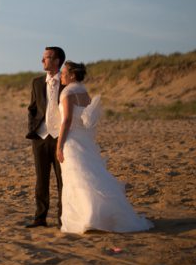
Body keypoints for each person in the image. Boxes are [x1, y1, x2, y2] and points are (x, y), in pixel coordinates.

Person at [56, 61, 153, 234]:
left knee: (77, 178)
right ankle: (100, 215)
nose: (61, 75)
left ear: (71, 75)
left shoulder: (67, 93)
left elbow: (67, 120)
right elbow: (87, 121)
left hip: (71, 140)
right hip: (84, 140)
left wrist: (59, 145)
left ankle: (88, 217)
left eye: (63, 72)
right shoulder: (84, 92)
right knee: (90, 175)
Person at [25, 46, 66, 228]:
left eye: (47, 57)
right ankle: (40, 218)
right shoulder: (36, 82)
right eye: (43, 57)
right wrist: (33, 129)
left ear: (57, 61)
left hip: (61, 139)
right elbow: (32, 108)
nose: (43, 60)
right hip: (40, 138)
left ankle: (63, 219)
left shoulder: (67, 82)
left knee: (62, 181)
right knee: (41, 180)